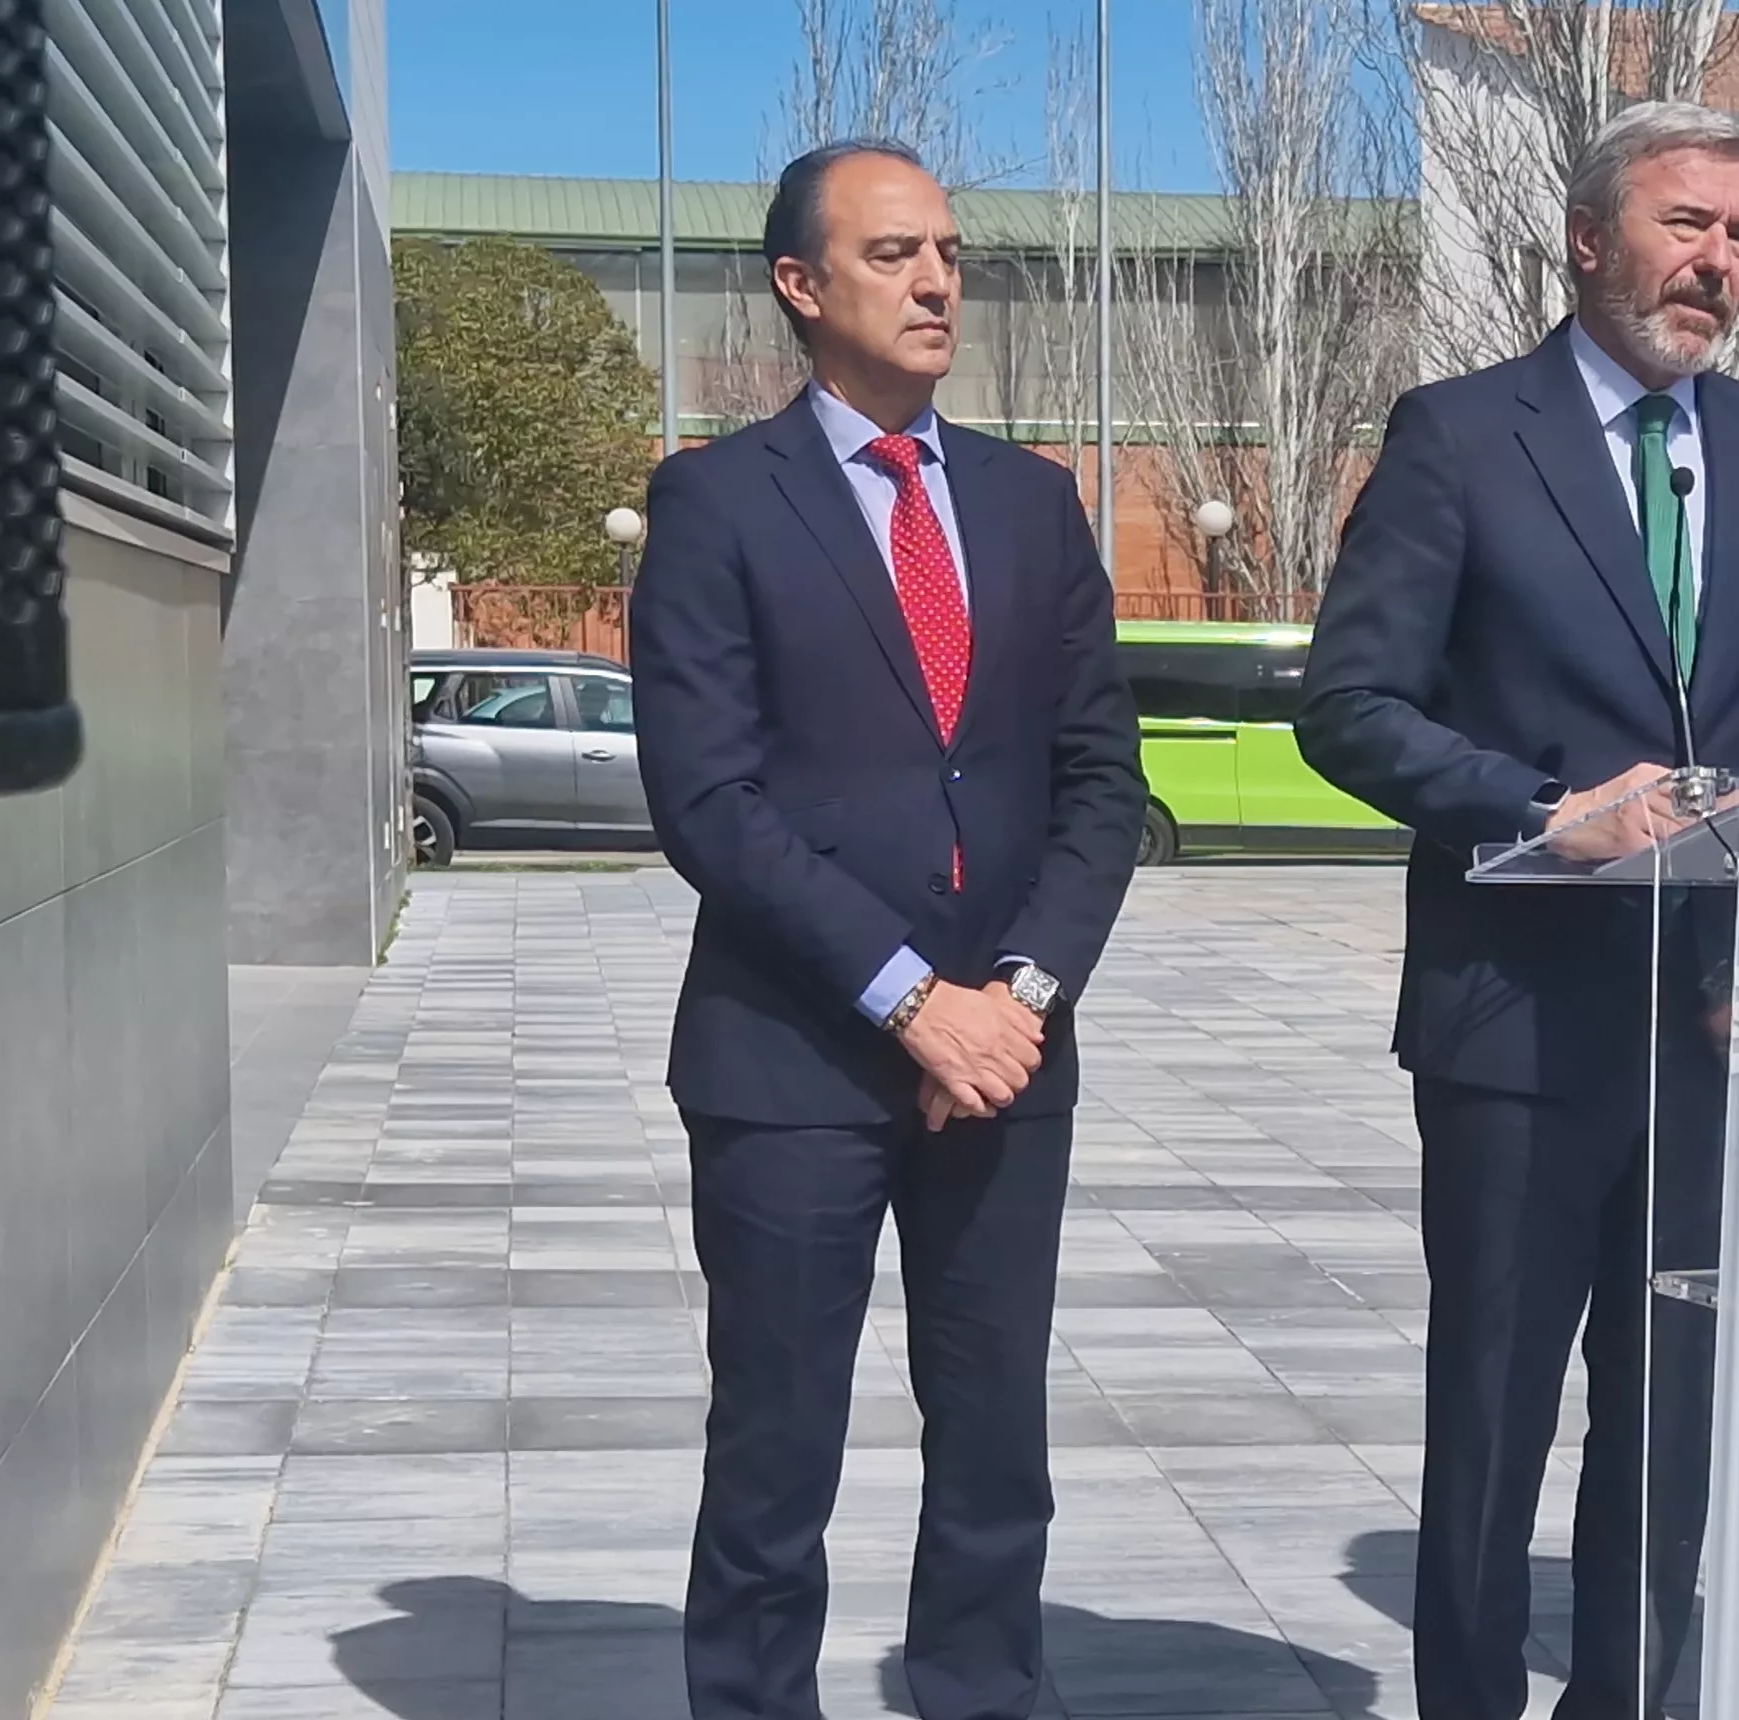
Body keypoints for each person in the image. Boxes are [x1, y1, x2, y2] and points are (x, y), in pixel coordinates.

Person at [1298, 101, 1739, 1720]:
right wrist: (1543, 815)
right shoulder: (1458, 436)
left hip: (1713, 1023)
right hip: (1515, 1030)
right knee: (1488, 1414)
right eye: (1683, 223)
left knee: (1664, 1422)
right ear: (1582, 237)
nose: (1714, 260)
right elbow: (1349, 705)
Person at [629, 139, 1145, 1720]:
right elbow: (711, 805)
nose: (935, 283)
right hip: (793, 1061)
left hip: (1005, 1060)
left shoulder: (1033, 502)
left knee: (996, 1443)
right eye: (892, 255)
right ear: (801, 284)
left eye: (947, 253)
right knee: (776, 1450)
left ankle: (983, 1691)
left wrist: (1017, 998)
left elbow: (1098, 782)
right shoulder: (716, 501)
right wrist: (916, 1000)